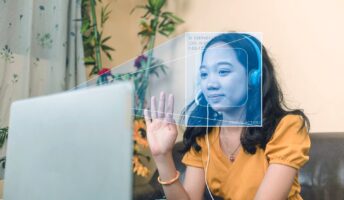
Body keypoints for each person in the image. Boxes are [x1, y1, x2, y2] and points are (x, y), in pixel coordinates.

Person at [143, 33, 311, 200]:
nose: (210, 84)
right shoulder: (204, 135)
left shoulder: (288, 127)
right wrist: (162, 156)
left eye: (223, 71)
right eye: (204, 74)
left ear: (254, 77)